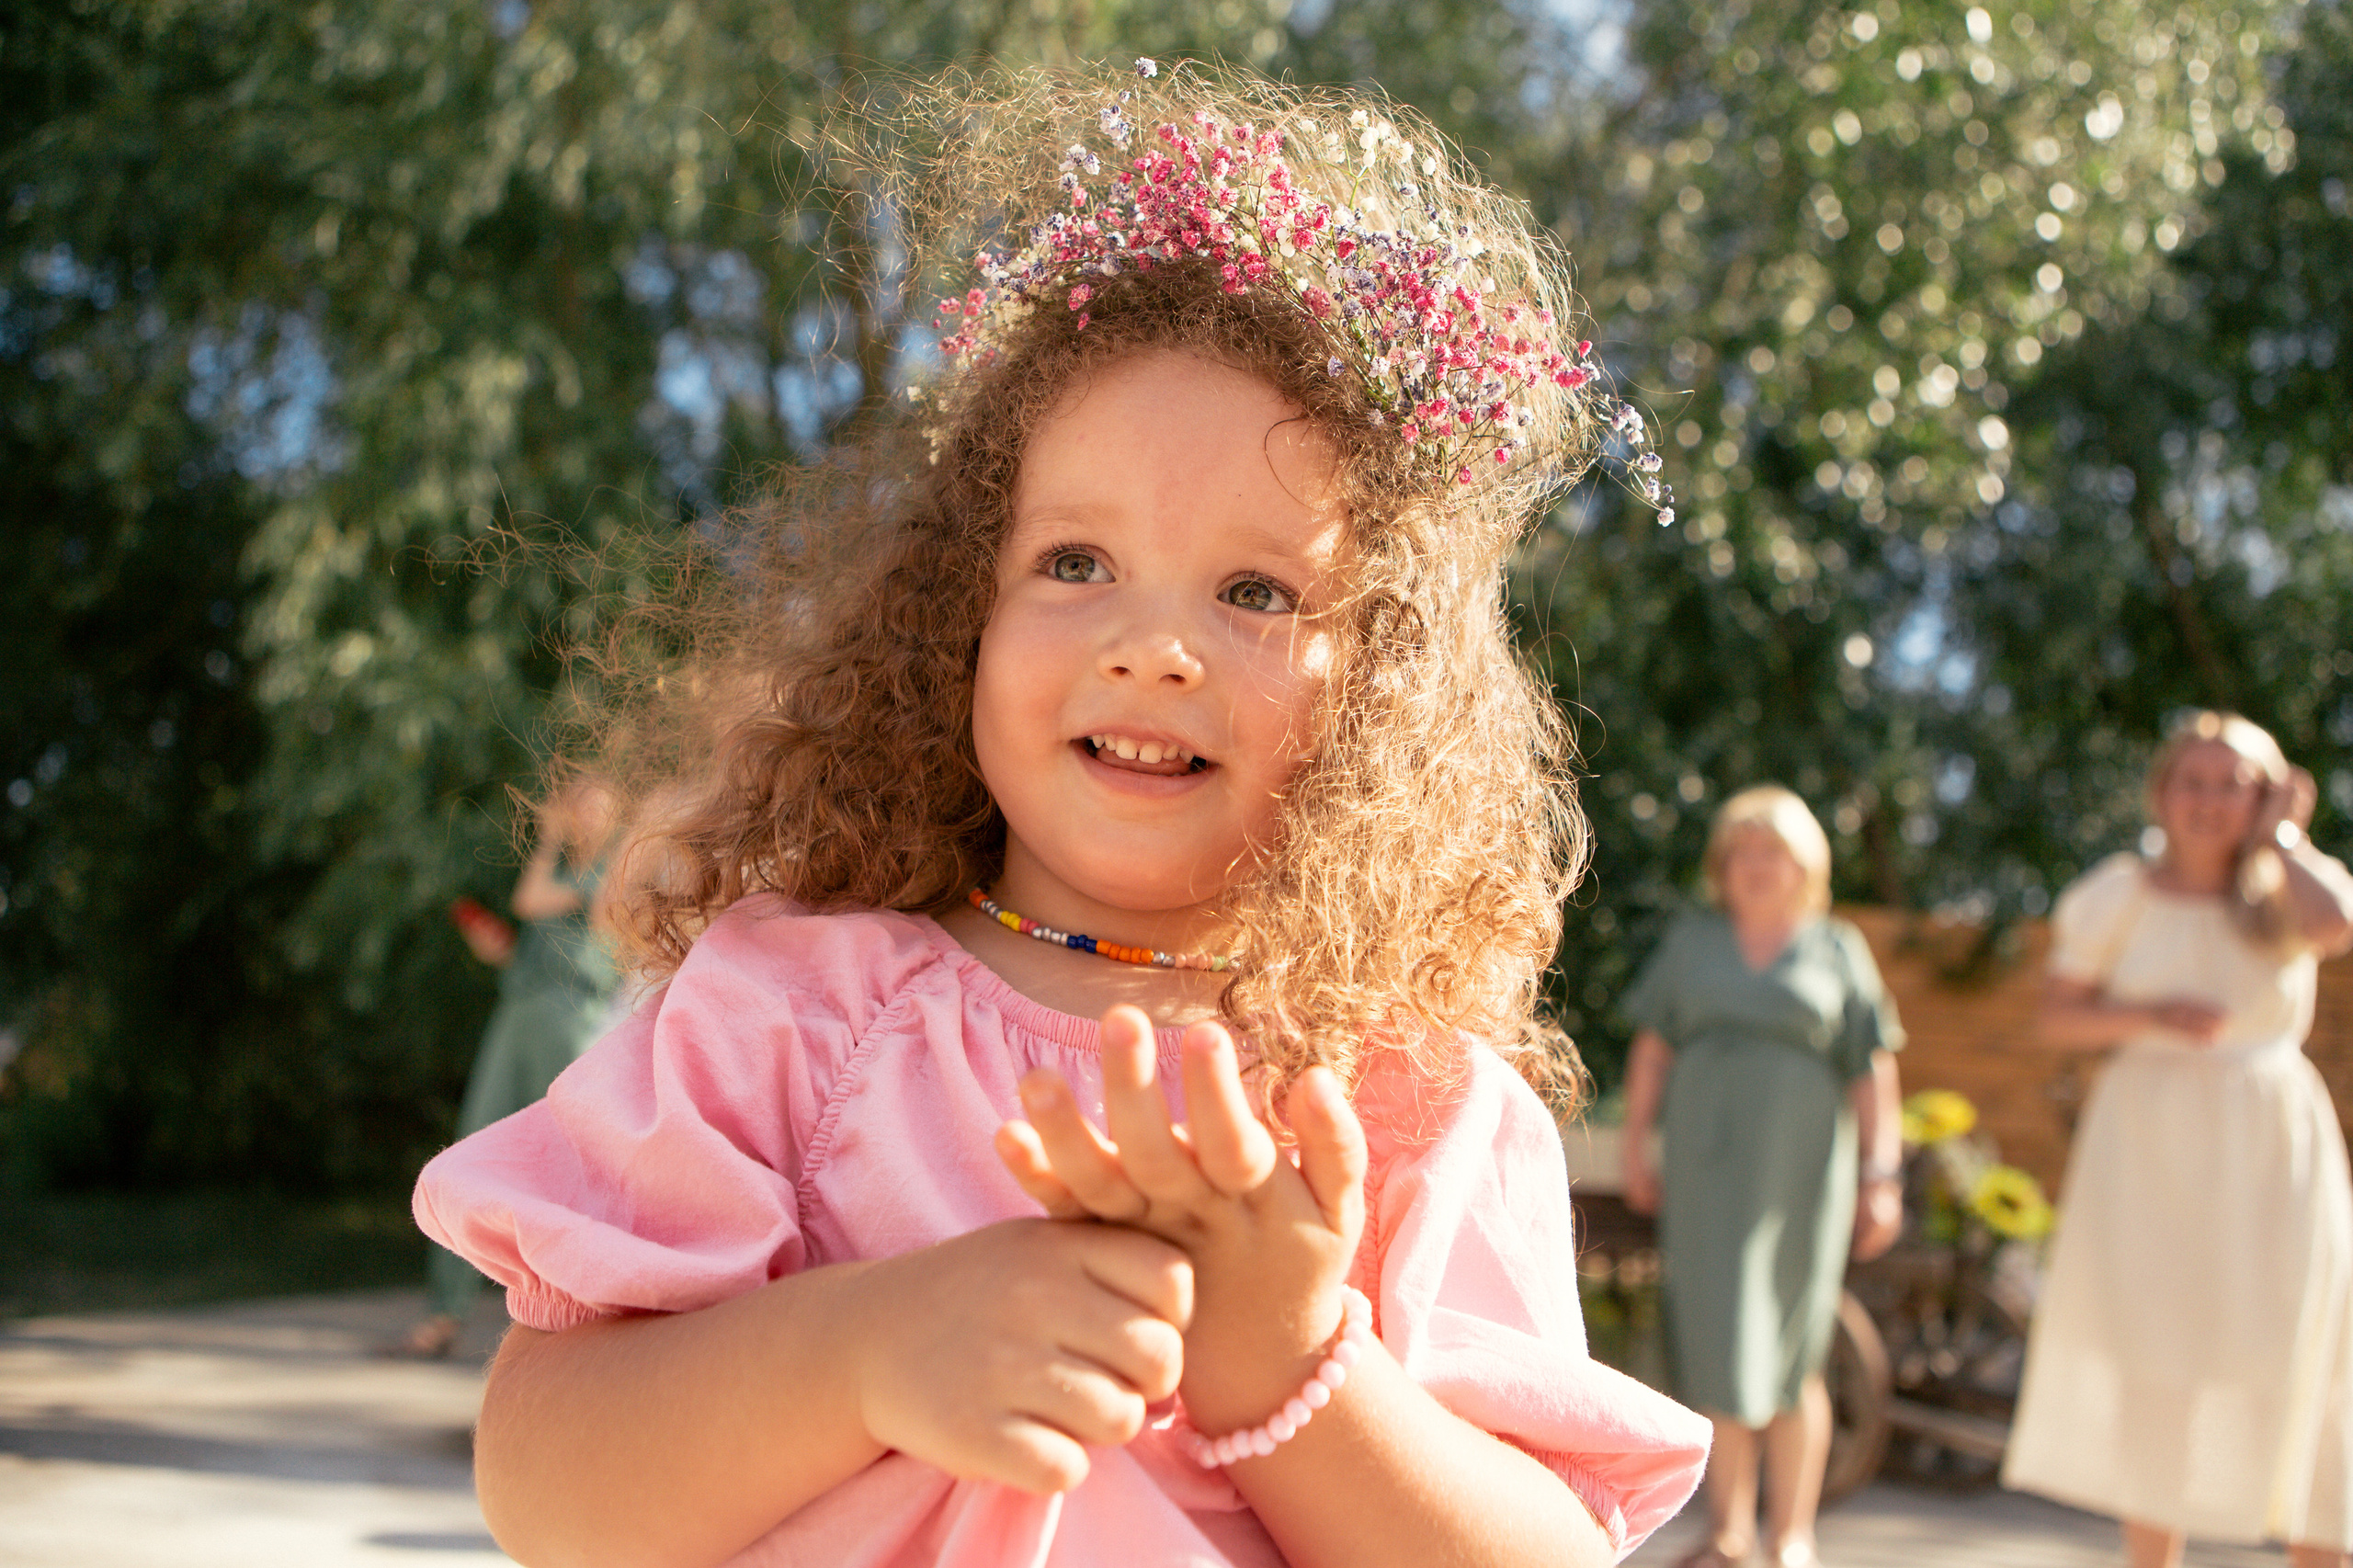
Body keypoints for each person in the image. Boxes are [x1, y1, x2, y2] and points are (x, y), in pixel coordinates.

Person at [411, 59, 1711, 1568]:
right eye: (1077, 562)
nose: (1153, 644)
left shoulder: (1407, 1112)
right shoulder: (792, 1017)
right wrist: (864, 1351)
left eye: (1254, 590)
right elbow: (545, 1480)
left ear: (1377, 691)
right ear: (957, 616)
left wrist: (1294, 1365)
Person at [2003, 711, 2353, 1568]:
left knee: (2301, 1353)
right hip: (2149, 1147)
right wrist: (2150, 1016)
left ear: (2265, 794)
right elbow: (2058, 1014)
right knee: (2155, 1358)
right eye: (2193, 781)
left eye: (2233, 784)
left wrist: (2285, 837)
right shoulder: (2116, 892)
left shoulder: (2289, 891)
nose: (2209, 801)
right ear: (2162, 792)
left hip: (2271, 1145)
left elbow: (2340, 925)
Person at [1618, 786, 1905, 1568]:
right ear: (1721, 864)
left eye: (1770, 849)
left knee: (1792, 1346)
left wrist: (1884, 1174)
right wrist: (1635, 1144)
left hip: (1801, 1179)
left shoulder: (1839, 947)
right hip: (1707, 1176)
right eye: (1739, 849)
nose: (1754, 864)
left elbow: (1872, 1070)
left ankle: (1792, 1535)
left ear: (1804, 863)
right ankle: (1729, 1530)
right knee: (1719, 1343)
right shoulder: (1692, 944)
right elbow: (1652, 1049)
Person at [390, 777, 620, 1359]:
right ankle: (445, 1311)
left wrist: (545, 841)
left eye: (589, 801)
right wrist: (503, 952)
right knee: (473, 1146)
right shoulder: (565, 872)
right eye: (573, 803)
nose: (579, 813)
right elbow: (531, 923)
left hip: (573, 1020)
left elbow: (530, 900)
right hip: (517, 1012)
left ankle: (587, 1306)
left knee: (573, 1163)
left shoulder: (617, 868)